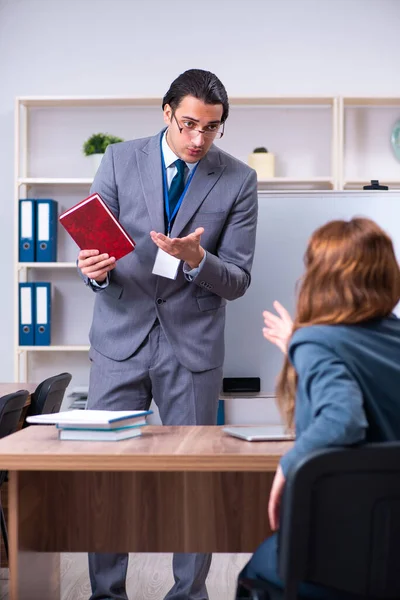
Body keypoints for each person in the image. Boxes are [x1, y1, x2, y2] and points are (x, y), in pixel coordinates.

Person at [77, 68, 258, 600]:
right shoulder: (118, 160)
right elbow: (91, 245)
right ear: (166, 114)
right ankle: (106, 594)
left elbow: (239, 280)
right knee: (108, 480)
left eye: (212, 128)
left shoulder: (239, 179)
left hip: (192, 346)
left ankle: (188, 594)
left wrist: (199, 258)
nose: (199, 139)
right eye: (189, 125)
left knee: (193, 480)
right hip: (120, 337)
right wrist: (94, 266)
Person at [238, 217, 400, 599]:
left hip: (340, 554)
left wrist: (289, 463)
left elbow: (343, 420)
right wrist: (300, 348)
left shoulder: (316, 342)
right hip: (392, 548)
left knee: (255, 571)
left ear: (320, 278)